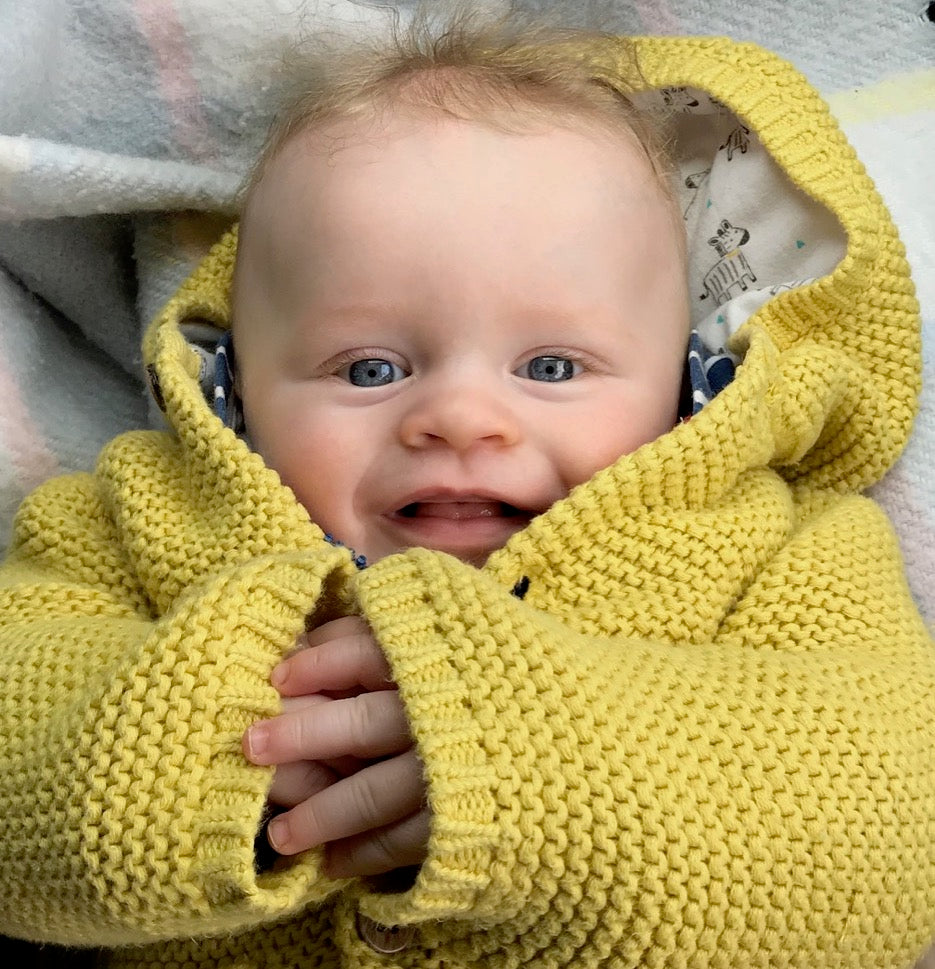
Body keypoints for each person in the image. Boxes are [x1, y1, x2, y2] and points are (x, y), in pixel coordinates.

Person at [0, 7, 933, 969]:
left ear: (676, 369)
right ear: (237, 374)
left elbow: (892, 838)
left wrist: (543, 778)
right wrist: (198, 755)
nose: (459, 417)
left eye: (553, 367)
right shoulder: (138, 519)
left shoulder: (773, 550)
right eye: (368, 369)